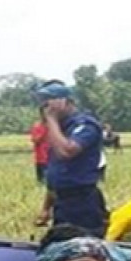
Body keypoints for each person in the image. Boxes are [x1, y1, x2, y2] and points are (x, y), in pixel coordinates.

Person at [32, 81, 109, 238]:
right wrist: (46, 208)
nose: (45, 108)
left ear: (65, 102)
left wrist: (51, 120)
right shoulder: (60, 130)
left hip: (82, 201)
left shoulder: (85, 125)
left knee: (86, 246)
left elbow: (67, 151)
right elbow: (56, 173)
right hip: (62, 201)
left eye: (48, 102)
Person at [29, 110, 50, 185]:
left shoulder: (56, 126)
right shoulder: (37, 126)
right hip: (41, 158)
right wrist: (44, 131)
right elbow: (35, 140)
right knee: (41, 181)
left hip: (52, 158)